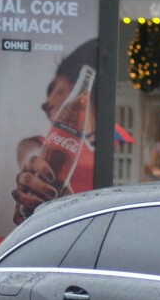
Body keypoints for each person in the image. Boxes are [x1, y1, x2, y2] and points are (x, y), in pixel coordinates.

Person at [13, 39, 98, 222]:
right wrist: (36, 173)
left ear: (83, 94)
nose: (46, 103)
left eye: (57, 91)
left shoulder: (102, 147)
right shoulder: (38, 143)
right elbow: (33, 156)